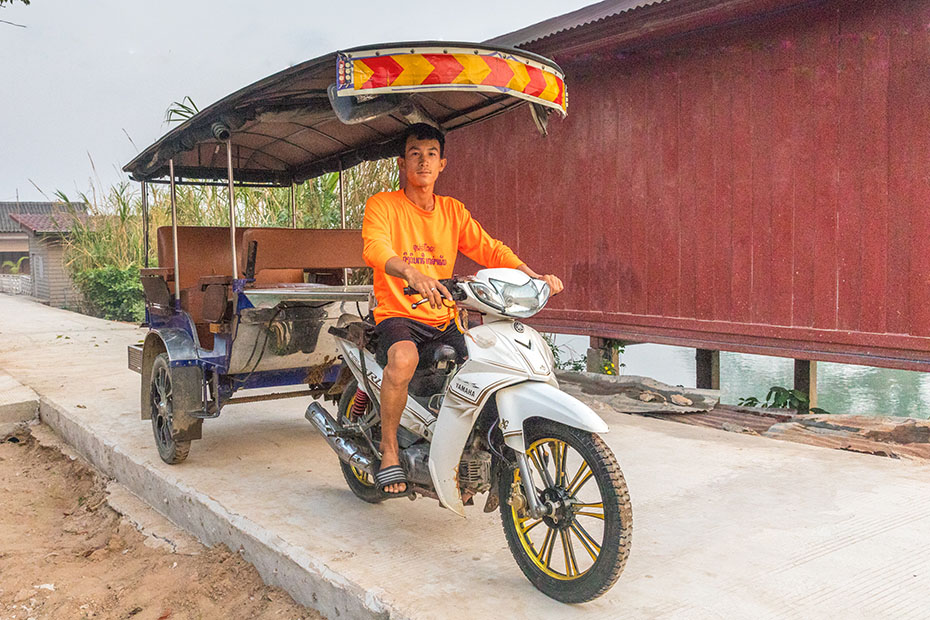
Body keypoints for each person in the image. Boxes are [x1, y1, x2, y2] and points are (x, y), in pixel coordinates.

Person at [361, 123, 563, 495]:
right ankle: (389, 450)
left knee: (492, 363)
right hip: (398, 313)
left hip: (444, 314)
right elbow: (375, 248)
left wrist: (534, 276)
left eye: (431, 155)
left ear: (443, 165)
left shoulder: (452, 212)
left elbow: (490, 249)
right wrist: (411, 273)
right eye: (415, 154)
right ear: (402, 164)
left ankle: (476, 444)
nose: (423, 162)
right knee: (403, 360)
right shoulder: (384, 205)